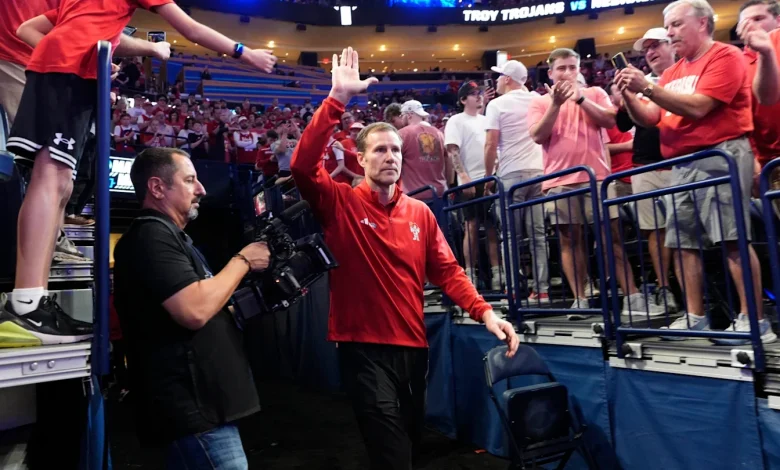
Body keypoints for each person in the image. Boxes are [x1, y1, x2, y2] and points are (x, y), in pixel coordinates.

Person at [290, 47, 518, 470]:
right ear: (360, 159)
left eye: (395, 150)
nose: (390, 157)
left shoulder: (420, 213)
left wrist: (486, 313)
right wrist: (336, 99)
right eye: (379, 151)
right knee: (393, 456)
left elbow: (448, 272)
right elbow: (303, 167)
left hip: (414, 349)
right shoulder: (339, 202)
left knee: (408, 451)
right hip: (362, 351)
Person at [3, 0, 275, 338]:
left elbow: (26, 30)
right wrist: (244, 52)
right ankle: (26, 305)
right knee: (50, 179)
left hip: (66, 71)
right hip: (67, 75)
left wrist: (69, 54)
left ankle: (33, 302)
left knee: (59, 184)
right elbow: (190, 28)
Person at [616, 0, 775, 343]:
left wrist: (646, 87)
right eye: (668, 26)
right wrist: (630, 96)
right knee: (684, 243)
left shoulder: (724, 56)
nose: (670, 32)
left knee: (732, 239)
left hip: (721, 154)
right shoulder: (673, 73)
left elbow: (701, 108)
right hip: (681, 163)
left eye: (675, 24)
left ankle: (755, 320)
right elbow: (651, 120)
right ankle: (694, 316)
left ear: (702, 23)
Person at [114, 147, 271, 468]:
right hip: (192, 411)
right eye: (190, 180)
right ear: (157, 188)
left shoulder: (174, 238)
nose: (201, 189)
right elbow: (194, 310)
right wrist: (242, 261)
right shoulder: (150, 236)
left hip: (205, 408)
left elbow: (208, 306)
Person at [528, 48, 662, 319]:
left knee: (611, 239)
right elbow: (538, 136)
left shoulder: (596, 93)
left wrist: (579, 99)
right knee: (569, 241)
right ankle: (580, 299)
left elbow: (611, 121)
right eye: (561, 68)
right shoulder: (541, 102)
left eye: (572, 67)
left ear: (579, 69)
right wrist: (555, 103)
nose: (567, 72)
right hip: (558, 179)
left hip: (598, 177)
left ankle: (633, 296)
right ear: (551, 72)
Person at [615, 27, 680, 313]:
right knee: (656, 231)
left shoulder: (686, 75)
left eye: (657, 46)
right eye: (647, 49)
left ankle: (689, 294)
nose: (651, 52)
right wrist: (627, 96)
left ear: (672, 45)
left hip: (682, 161)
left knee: (685, 229)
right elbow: (623, 124)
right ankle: (665, 289)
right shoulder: (640, 82)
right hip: (646, 165)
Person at [484, 60, 550, 304]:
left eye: (500, 77)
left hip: (511, 175)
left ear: (508, 79)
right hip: (539, 172)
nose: (498, 80)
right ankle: (542, 290)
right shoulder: (538, 99)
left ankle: (512, 289)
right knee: (538, 235)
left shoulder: (497, 104)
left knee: (510, 236)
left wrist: (488, 176)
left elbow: (491, 144)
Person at [445, 81, 502, 291]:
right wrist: (463, 177)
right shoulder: (456, 120)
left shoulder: (487, 119)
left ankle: (497, 273)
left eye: (479, 93)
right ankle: (470, 273)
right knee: (471, 225)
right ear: (462, 100)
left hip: (490, 179)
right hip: (471, 181)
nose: (478, 96)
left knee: (492, 227)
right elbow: (452, 150)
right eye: (472, 94)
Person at [738, 0, 780, 168]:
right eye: (745, 23)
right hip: (768, 160)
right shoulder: (736, 63)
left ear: (778, 20)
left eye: (758, 19)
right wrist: (753, 158)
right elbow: (741, 117)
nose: (752, 26)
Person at [397, 100, 450, 199]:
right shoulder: (439, 133)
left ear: (409, 115)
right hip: (440, 193)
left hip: (415, 197)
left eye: (401, 115)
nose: (400, 119)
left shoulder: (402, 134)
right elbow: (448, 162)